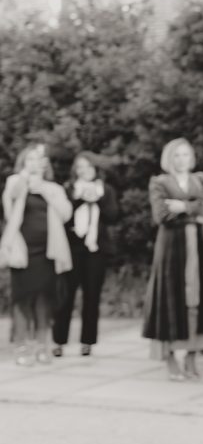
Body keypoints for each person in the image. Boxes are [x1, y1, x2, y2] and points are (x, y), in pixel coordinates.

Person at [142, 139, 203, 380]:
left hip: (197, 244)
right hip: (171, 247)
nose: (181, 159)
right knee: (170, 297)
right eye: (176, 155)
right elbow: (162, 215)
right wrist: (194, 209)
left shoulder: (201, 180)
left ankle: (191, 357)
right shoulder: (159, 182)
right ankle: (169, 359)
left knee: (197, 299)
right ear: (169, 158)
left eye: (185, 155)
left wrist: (184, 207)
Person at [2, 144, 73, 366]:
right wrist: (27, 179)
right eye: (28, 160)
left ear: (44, 165)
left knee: (45, 299)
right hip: (23, 251)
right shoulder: (16, 182)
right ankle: (21, 346)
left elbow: (65, 214)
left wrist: (44, 190)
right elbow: (10, 200)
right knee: (21, 299)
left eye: (37, 160)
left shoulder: (53, 188)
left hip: (47, 251)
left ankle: (42, 344)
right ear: (23, 164)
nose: (33, 164)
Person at [52, 152, 120, 357]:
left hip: (95, 250)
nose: (84, 171)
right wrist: (80, 199)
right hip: (73, 248)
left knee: (92, 296)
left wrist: (97, 200)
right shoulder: (68, 189)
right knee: (65, 296)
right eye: (80, 167)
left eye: (88, 167)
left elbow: (112, 216)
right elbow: (63, 217)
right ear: (75, 170)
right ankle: (59, 341)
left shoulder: (105, 190)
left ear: (95, 169)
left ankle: (87, 341)